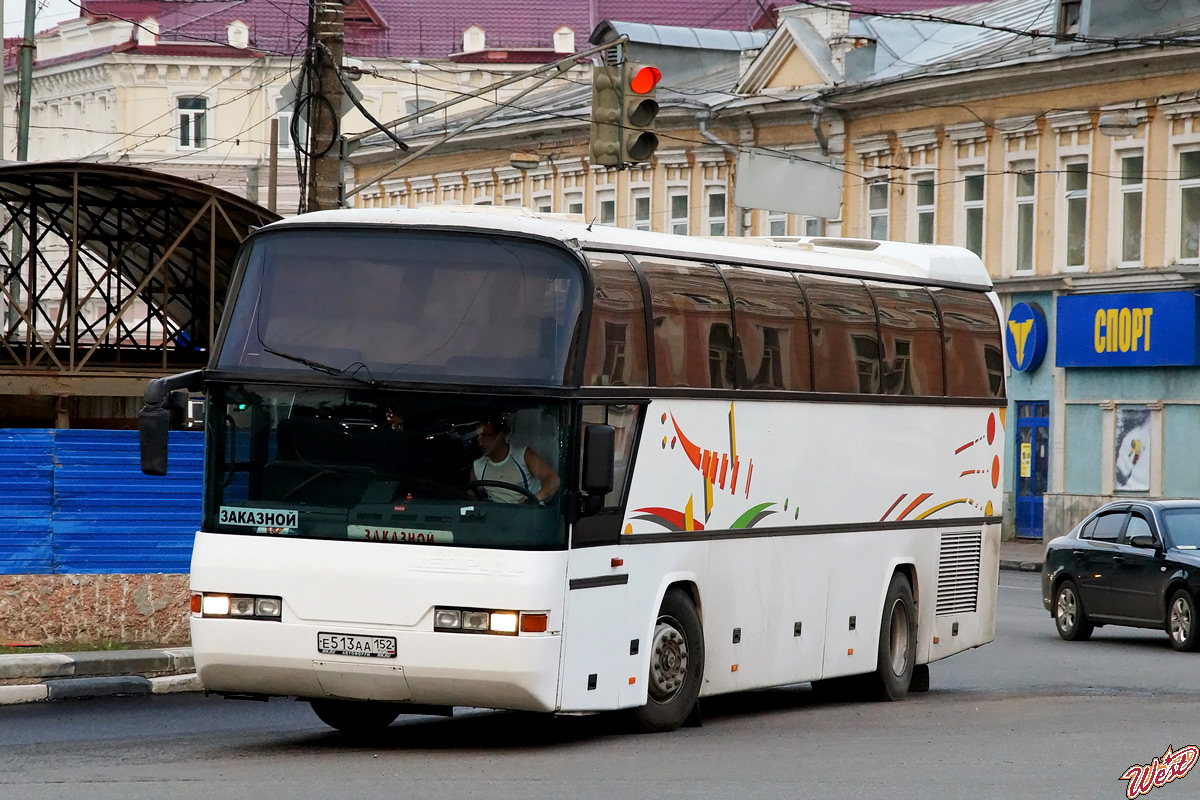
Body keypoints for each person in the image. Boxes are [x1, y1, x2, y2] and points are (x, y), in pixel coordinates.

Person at [470, 417, 560, 504]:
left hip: (528, 514)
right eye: (479, 437)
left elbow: (553, 481)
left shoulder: (524, 456)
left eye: (486, 436)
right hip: (496, 516)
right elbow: (472, 498)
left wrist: (535, 499)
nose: (481, 443)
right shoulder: (478, 466)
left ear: (500, 436)